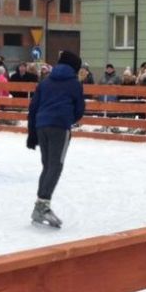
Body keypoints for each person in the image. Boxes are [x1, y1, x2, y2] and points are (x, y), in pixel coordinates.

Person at [26, 49, 85, 228]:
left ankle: (40, 205)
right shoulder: (74, 83)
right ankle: (42, 206)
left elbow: (33, 107)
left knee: (47, 166)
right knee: (55, 166)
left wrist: (32, 133)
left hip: (41, 125)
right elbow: (79, 109)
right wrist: (68, 119)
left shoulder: (46, 81)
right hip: (59, 126)